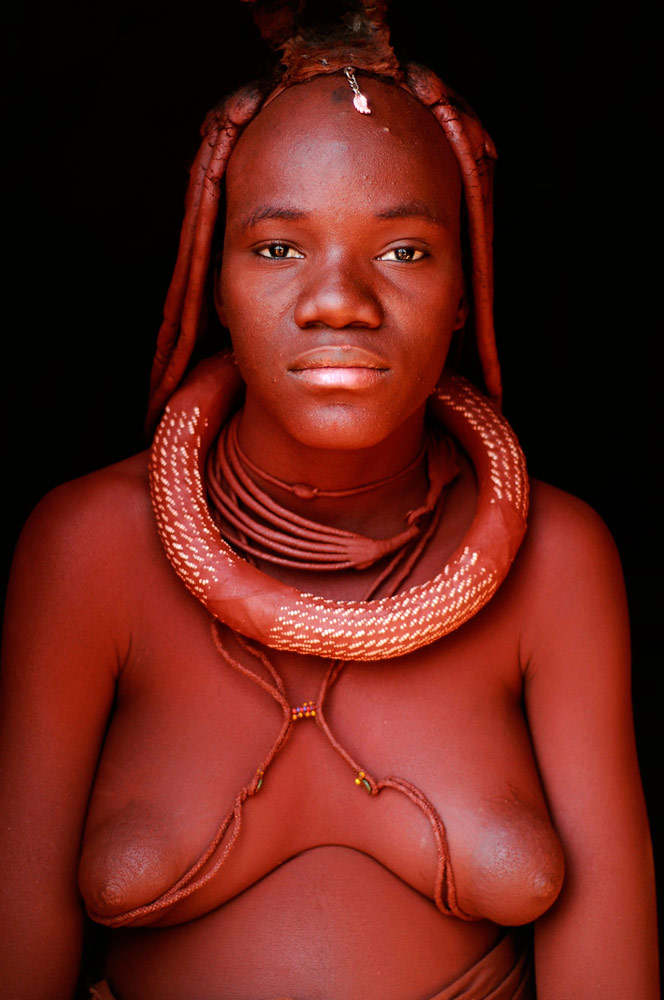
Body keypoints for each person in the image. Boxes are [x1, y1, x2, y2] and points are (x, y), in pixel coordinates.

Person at [1, 2, 658, 998]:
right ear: (217, 285)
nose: (338, 297)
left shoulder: (559, 559)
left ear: (462, 296)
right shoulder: (90, 550)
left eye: (404, 250)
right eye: (276, 248)